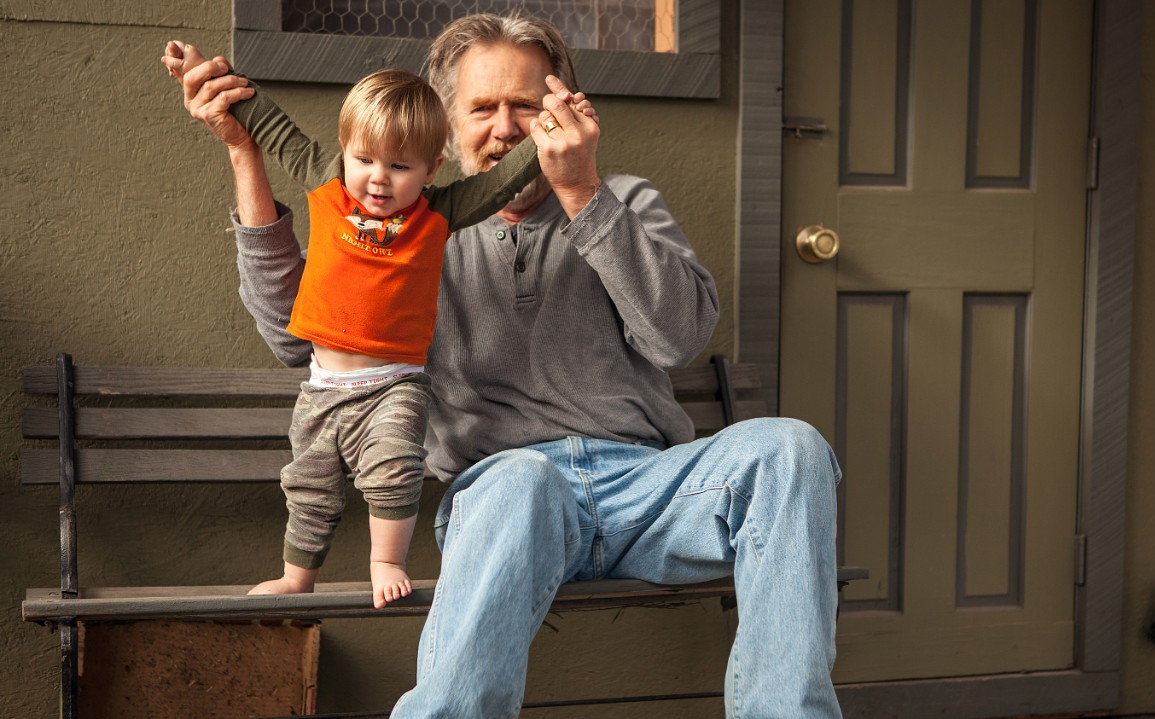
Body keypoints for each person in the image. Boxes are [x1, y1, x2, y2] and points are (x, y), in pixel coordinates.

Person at [176, 13, 842, 718]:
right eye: (483, 108)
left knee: (790, 448)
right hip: (505, 496)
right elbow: (294, 337)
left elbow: (677, 338)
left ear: (560, 111)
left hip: (651, 493)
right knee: (523, 479)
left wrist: (585, 195)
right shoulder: (410, 232)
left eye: (525, 106)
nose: (506, 127)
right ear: (445, 129)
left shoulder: (629, 201)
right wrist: (245, 156)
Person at [161, 42, 595, 609]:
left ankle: (385, 560)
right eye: (364, 159)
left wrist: (558, 128)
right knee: (309, 484)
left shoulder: (438, 212)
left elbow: (504, 180)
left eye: (399, 166)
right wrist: (200, 71)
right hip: (321, 387)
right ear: (345, 152)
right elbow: (267, 121)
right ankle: (297, 575)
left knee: (394, 471)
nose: (377, 179)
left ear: (431, 170)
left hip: (394, 386)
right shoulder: (326, 183)